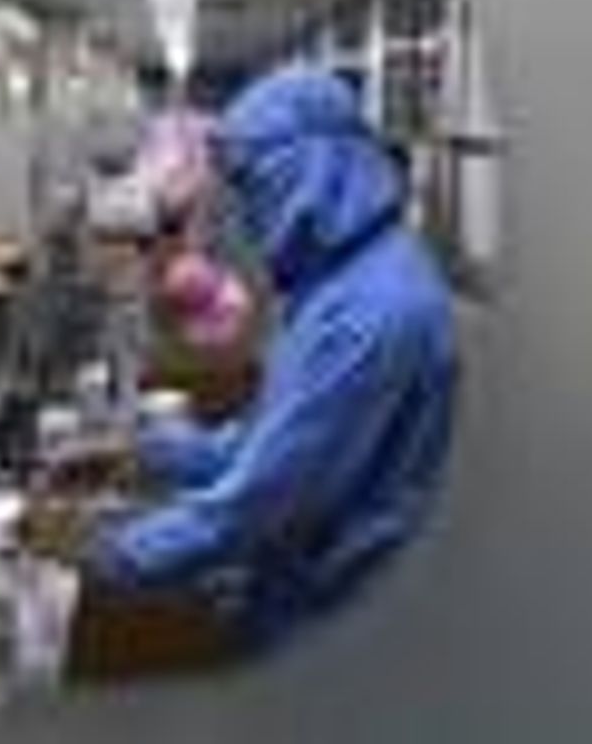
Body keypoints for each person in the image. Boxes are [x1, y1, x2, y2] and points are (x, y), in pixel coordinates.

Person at [30, 65, 456, 657]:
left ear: (315, 167)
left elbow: (259, 504)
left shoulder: (371, 312)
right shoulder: (338, 284)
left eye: (255, 187)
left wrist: (102, 551)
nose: (249, 215)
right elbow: (265, 445)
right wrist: (143, 452)